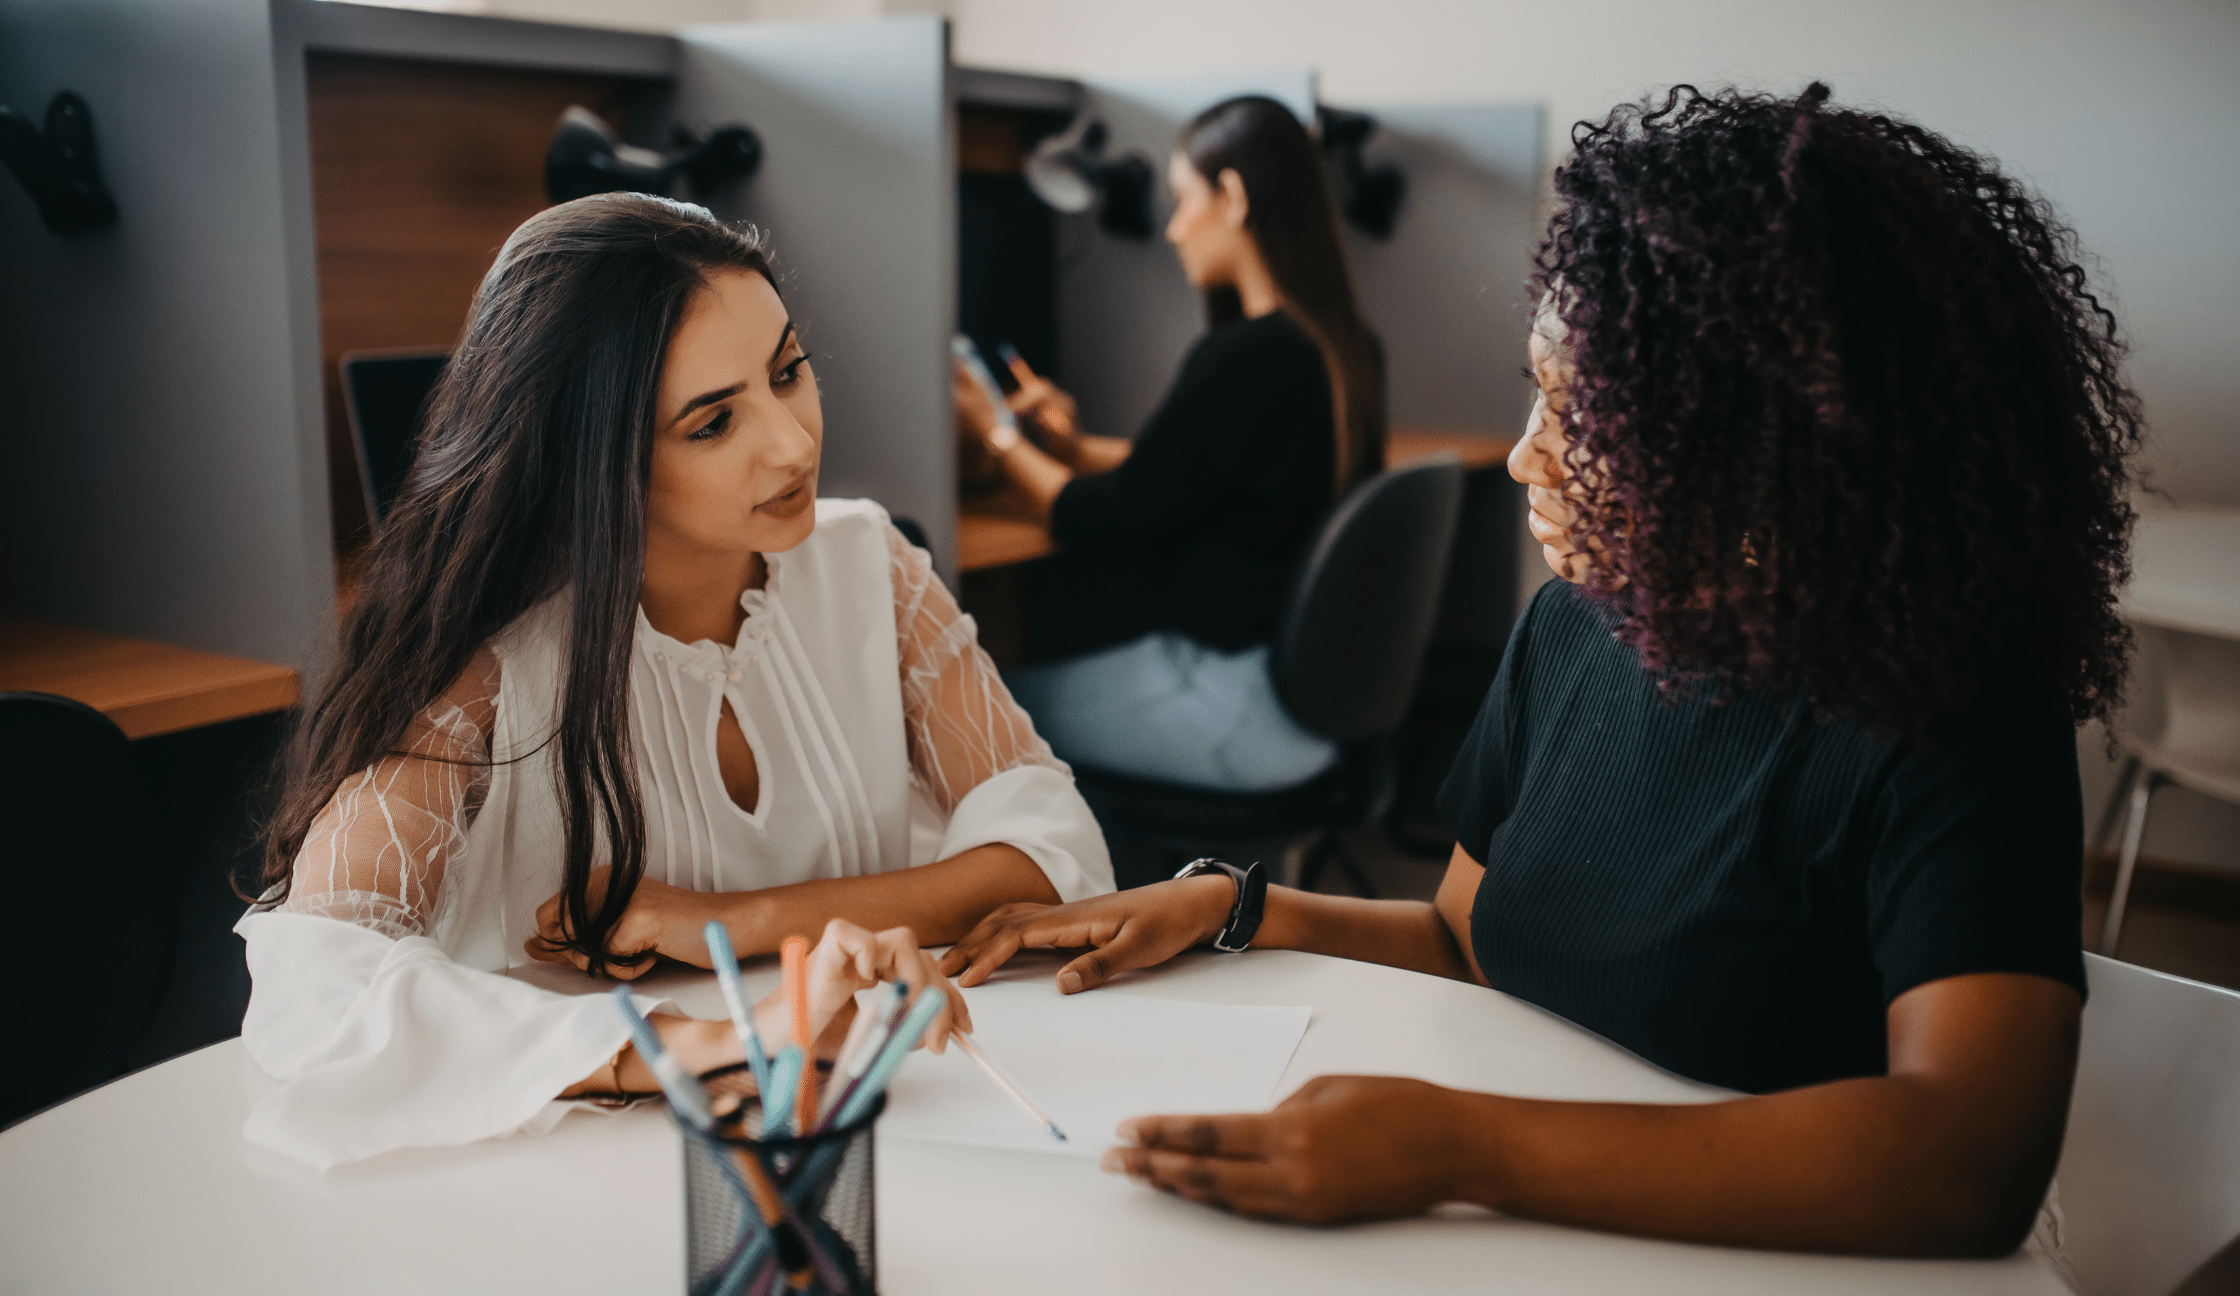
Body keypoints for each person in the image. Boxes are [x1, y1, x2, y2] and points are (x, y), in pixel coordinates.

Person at [938, 83, 2142, 1261]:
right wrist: (1231, 905)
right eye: (1537, 399)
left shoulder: (1954, 711)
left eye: (1582, 417)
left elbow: (1965, 1162)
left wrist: (1459, 1149)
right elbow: (1467, 938)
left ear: (1744, 445)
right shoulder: (1575, 628)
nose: (1523, 460)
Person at [238, 194, 1112, 1169]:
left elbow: (1049, 851)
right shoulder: (482, 656)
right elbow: (314, 976)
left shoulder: (873, 564)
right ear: (592, 457)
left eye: (788, 372)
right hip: (566, 1167)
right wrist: (708, 1046)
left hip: (872, 1124)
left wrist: (730, 926)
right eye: (712, 422)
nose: (791, 444)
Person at [953, 94, 1385, 794]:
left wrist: (992, 431)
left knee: (968, 709)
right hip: (1304, 705)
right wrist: (1068, 445)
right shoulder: (1340, 347)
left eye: (1186, 200)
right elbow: (1189, 471)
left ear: (1234, 195)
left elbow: (1103, 520)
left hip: (1227, 708)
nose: (1177, 230)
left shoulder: (1247, 356)